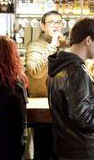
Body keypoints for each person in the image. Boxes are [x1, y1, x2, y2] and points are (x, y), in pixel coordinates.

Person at [47, 18, 94, 160]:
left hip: (67, 148)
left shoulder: (58, 66)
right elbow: (83, 119)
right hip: (83, 151)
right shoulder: (76, 71)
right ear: (88, 40)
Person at [25, 10, 63, 160]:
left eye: (58, 22)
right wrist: (53, 46)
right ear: (42, 26)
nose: (55, 26)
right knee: (44, 151)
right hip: (42, 108)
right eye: (51, 22)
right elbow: (35, 71)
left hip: (57, 107)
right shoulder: (35, 46)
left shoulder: (60, 44)